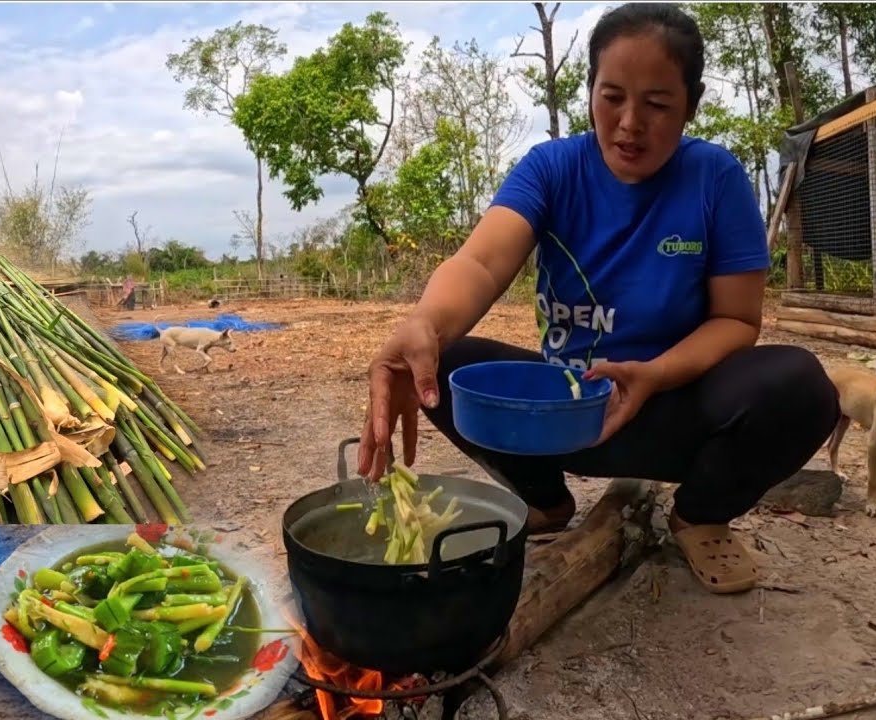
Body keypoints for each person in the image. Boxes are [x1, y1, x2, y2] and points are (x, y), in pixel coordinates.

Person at [357, 2, 840, 595]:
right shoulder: (551, 169)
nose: (630, 122)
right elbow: (480, 262)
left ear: (692, 101)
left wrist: (656, 374)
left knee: (802, 385)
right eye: (612, 97)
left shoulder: (716, 178)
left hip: (673, 407)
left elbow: (737, 320)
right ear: (590, 90)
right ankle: (544, 501)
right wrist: (425, 323)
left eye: (657, 104)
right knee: (441, 361)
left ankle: (700, 513)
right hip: (566, 413)